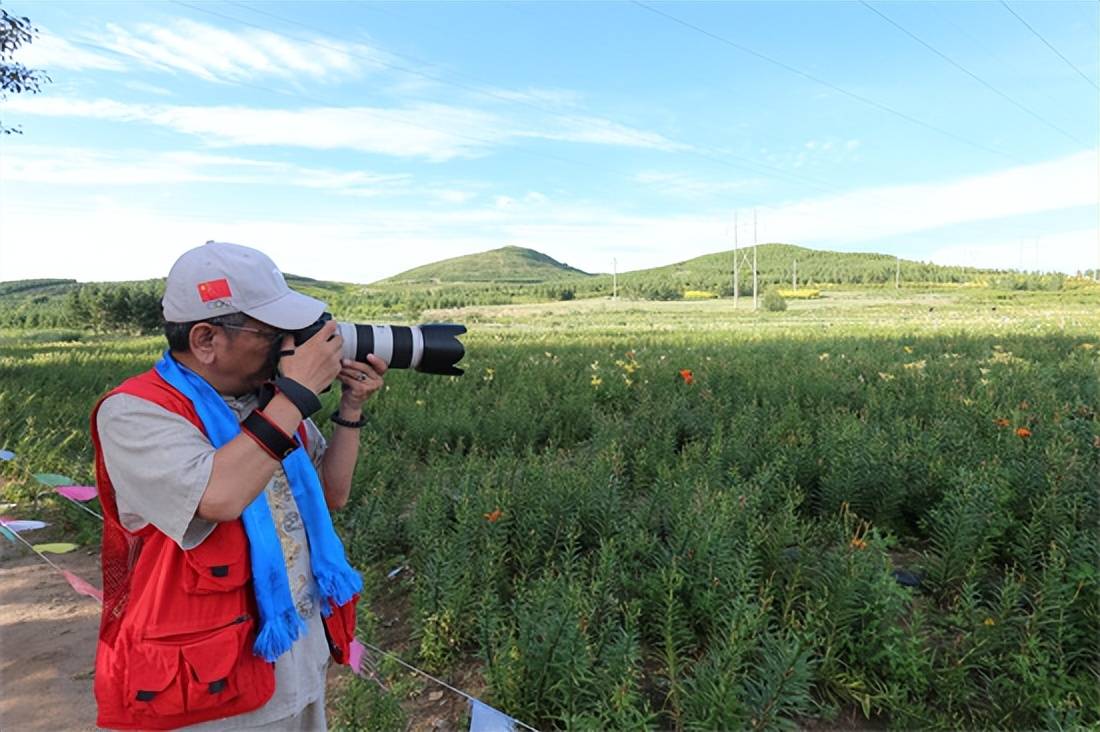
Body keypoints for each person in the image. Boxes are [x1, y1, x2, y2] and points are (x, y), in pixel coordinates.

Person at [90, 241, 386, 731]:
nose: (291, 346)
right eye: (275, 333)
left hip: (296, 654)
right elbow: (218, 497)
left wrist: (349, 409)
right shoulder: (135, 412)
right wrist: (294, 394)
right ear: (206, 339)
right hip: (209, 688)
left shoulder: (267, 403)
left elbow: (331, 495)